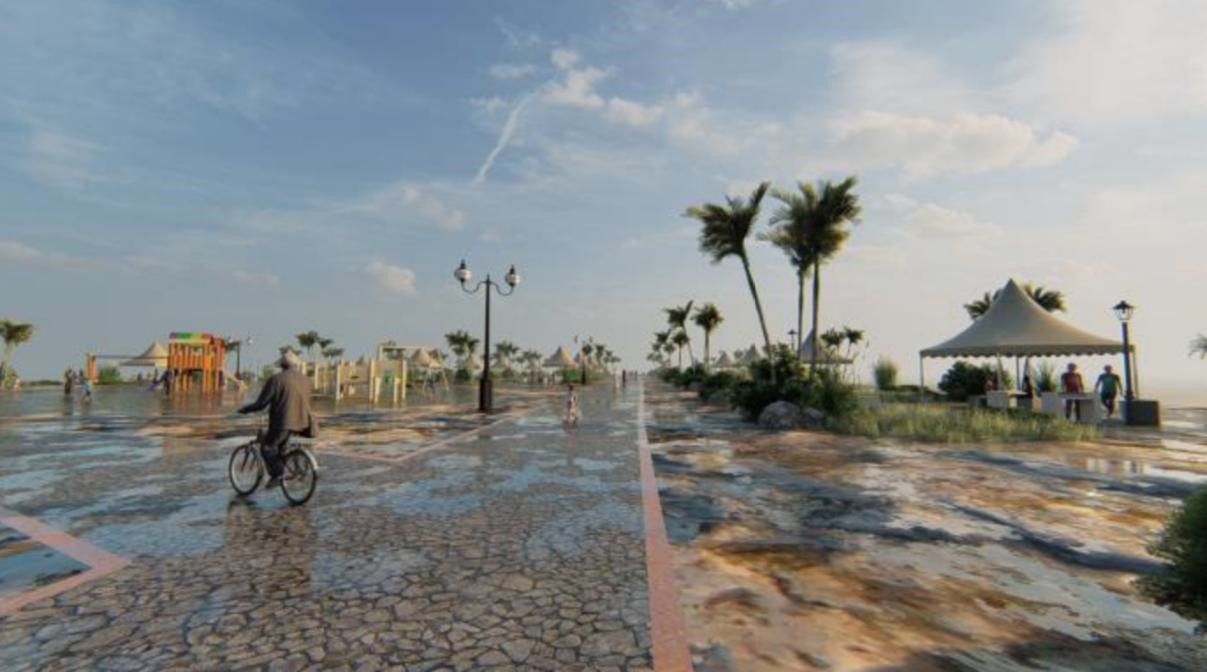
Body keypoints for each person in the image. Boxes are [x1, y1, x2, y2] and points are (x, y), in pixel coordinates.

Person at [238, 351, 318, 487]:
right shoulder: (305, 380)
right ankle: (286, 469)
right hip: (303, 422)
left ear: (282, 365)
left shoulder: (276, 380)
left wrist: (245, 409)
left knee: (267, 447)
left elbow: (261, 403)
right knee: (281, 446)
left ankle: (277, 475)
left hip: (283, 422)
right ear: (295, 365)